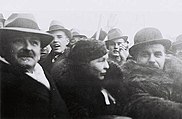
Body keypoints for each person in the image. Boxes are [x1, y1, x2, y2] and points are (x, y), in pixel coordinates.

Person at [0, 13, 70, 119]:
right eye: (18, 41)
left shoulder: (42, 72)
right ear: (5, 47)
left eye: (34, 42)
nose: (28, 48)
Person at [51, 39, 131, 119]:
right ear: (83, 65)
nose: (107, 66)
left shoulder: (112, 84)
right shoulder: (70, 91)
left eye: (106, 60)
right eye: (100, 61)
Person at [121, 27, 182, 119]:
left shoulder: (178, 76)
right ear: (135, 59)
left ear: (165, 56)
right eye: (145, 55)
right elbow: (144, 104)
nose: (152, 60)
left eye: (157, 54)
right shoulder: (130, 82)